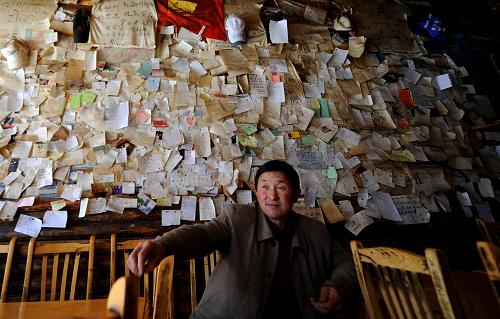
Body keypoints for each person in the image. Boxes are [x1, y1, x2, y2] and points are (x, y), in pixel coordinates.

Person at [128, 160, 357, 318]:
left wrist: (337, 286)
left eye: (281, 187)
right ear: (256, 192)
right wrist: (163, 245)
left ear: (296, 194)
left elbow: (346, 262)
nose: (272, 196)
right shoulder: (238, 217)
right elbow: (203, 234)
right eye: (265, 187)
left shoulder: (315, 231)